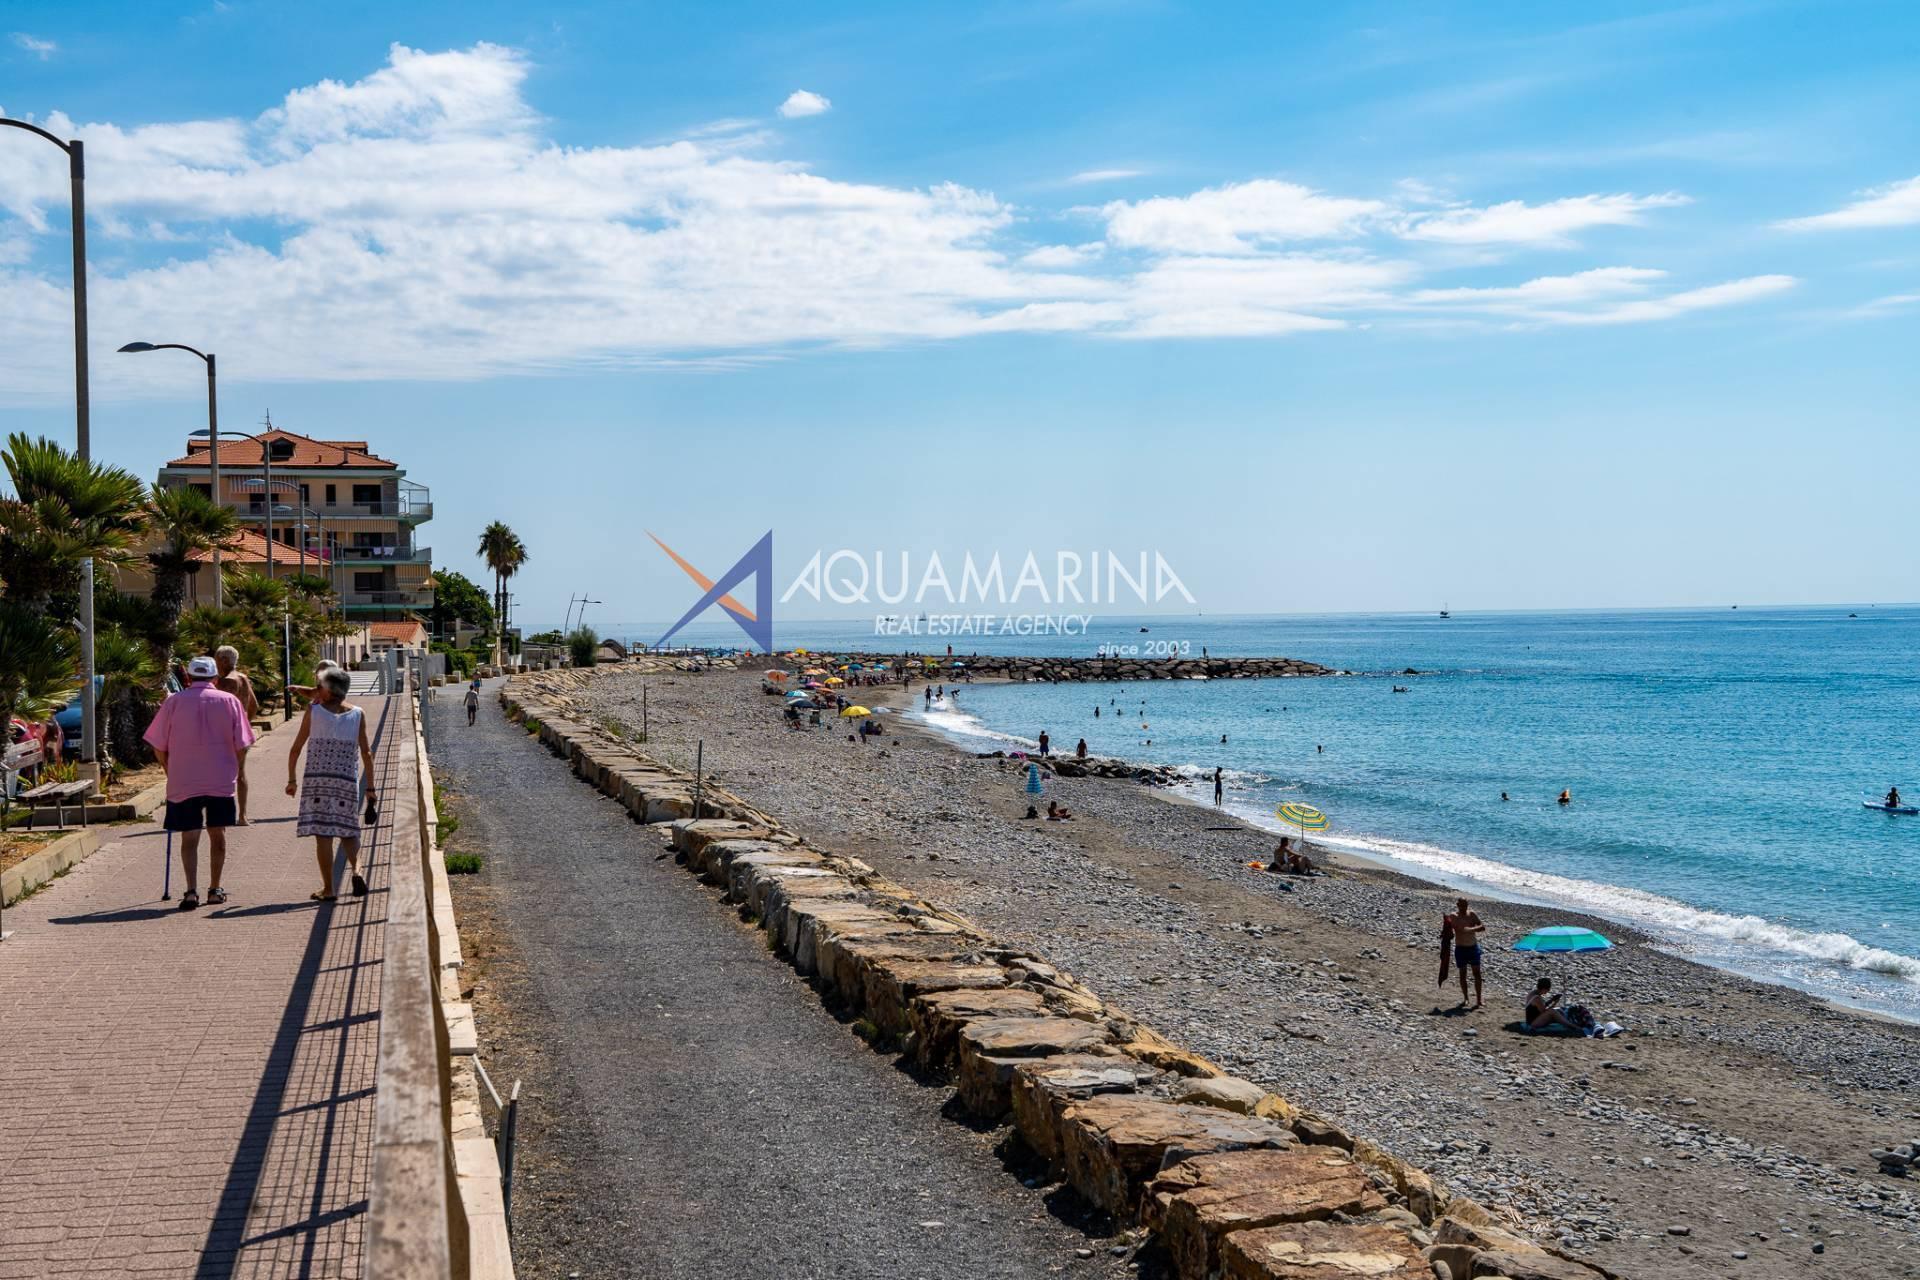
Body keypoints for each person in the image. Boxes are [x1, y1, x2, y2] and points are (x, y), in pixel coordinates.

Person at [144, 656, 254, 910]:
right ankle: (215, 889)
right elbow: (243, 744)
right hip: (220, 779)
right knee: (218, 834)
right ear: (215, 678)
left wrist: (169, 769)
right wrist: (235, 766)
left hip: (183, 780)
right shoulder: (230, 701)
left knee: (189, 836)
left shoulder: (173, 702)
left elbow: (158, 745)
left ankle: (191, 891)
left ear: (189, 677)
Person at [286, 666, 376, 902]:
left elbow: (296, 748)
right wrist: (370, 788)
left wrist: (292, 779)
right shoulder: (358, 713)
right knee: (349, 831)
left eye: (320, 686)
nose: (317, 690)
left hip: (318, 781)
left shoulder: (314, 711)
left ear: (328, 690)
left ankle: (329, 889)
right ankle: (357, 871)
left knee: (323, 835)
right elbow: (366, 752)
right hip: (346, 781)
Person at [212, 646, 261, 823]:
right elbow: (254, 705)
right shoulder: (243, 678)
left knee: (221, 774)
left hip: (225, 733)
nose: (216, 663)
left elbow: (219, 709)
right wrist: (246, 723)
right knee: (240, 773)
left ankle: (222, 814)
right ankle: (243, 815)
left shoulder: (225, 682)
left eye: (217, 659)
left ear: (224, 661)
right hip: (242, 733)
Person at [1440, 898, 1486, 1008]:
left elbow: (1482, 927)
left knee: (1477, 974)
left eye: (1465, 905)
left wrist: (1471, 929)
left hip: (1473, 948)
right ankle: (1466, 998)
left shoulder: (1472, 914)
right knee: (1463, 974)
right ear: (1457, 905)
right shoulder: (1453, 916)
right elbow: (1449, 929)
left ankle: (1479, 1000)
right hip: (1460, 948)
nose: (1464, 907)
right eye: (1461, 905)